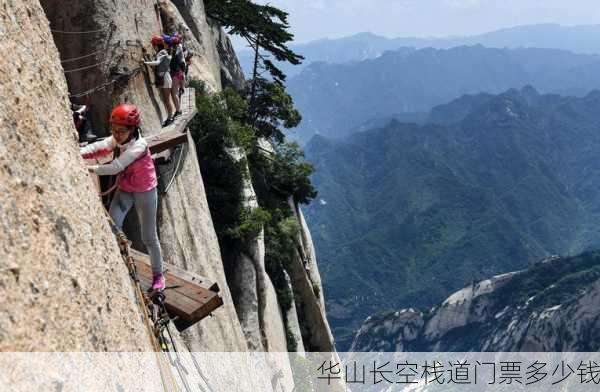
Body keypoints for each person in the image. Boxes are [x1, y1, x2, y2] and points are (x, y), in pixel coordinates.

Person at [80, 104, 165, 291]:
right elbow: (103, 146)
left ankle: (159, 276)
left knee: (149, 236)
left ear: (133, 129)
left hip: (145, 190)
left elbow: (116, 166)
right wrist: (80, 153)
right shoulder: (120, 138)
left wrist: (90, 168)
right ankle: (121, 255)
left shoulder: (139, 145)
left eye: (121, 131)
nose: (116, 135)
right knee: (113, 223)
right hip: (126, 187)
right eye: (114, 130)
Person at [144, 35, 174, 127]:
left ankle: (170, 118)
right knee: (166, 99)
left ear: (156, 45)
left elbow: (157, 63)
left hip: (165, 78)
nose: (153, 46)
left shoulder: (162, 52)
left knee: (167, 100)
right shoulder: (162, 51)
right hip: (165, 78)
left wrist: (145, 62)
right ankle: (169, 117)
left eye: (154, 45)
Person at [168, 33, 186, 117]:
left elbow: (169, 60)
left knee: (173, 93)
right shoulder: (177, 49)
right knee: (175, 93)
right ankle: (182, 88)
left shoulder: (173, 51)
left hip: (176, 74)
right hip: (179, 73)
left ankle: (178, 111)